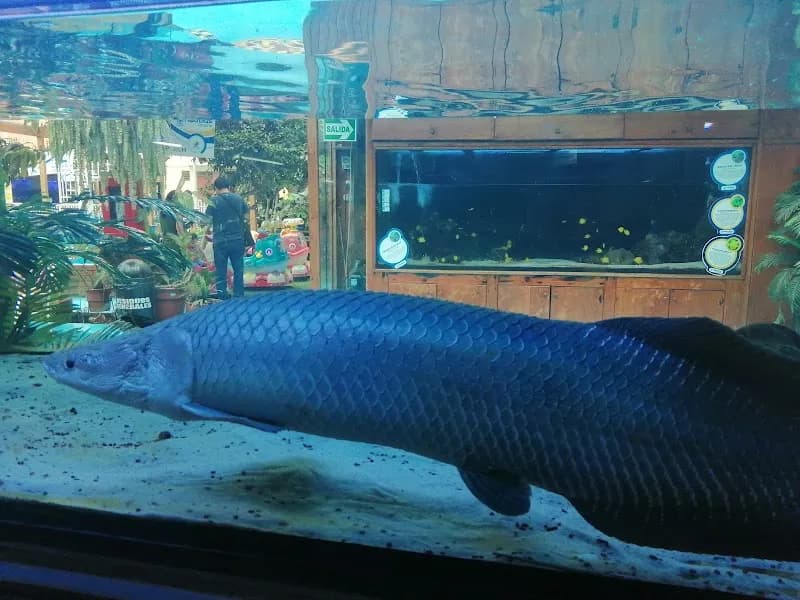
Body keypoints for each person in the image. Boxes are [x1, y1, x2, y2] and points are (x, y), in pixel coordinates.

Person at [205, 176, 248, 299]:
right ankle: (239, 295)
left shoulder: (214, 201)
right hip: (237, 239)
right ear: (229, 187)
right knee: (238, 269)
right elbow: (245, 214)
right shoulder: (238, 198)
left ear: (216, 188)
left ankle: (222, 295)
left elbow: (207, 220)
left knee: (221, 271)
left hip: (220, 241)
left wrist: (209, 234)